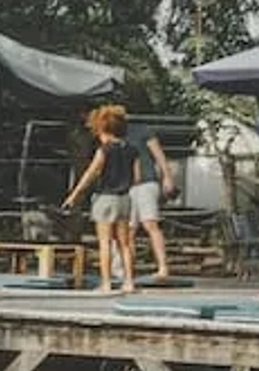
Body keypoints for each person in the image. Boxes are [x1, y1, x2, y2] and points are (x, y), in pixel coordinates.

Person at [62, 105, 140, 293]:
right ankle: (129, 282)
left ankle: (106, 283)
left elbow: (91, 173)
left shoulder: (104, 150)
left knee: (105, 243)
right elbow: (137, 177)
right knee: (124, 243)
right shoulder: (132, 150)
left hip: (106, 197)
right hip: (125, 198)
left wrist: (74, 195)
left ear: (101, 128)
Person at [126, 120, 176, 280]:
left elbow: (159, 154)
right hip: (126, 186)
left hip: (146, 183)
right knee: (128, 230)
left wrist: (167, 176)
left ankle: (163, 267)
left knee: (150, 224)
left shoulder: (141, 129)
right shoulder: (111, 134)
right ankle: (128, 271)